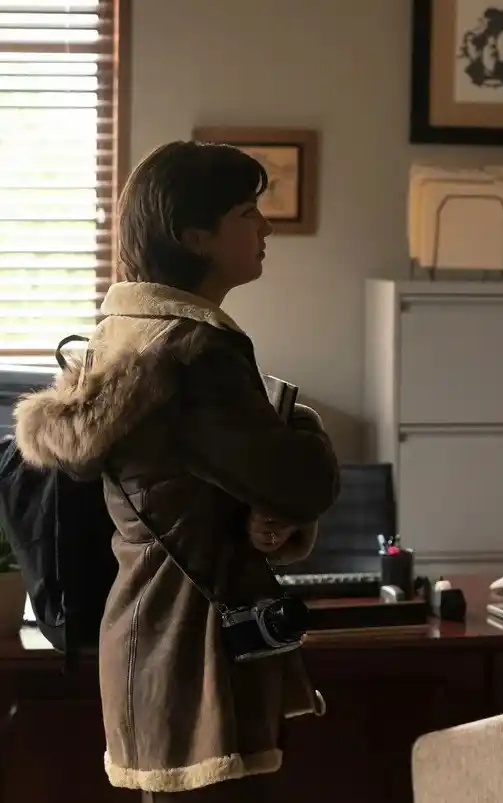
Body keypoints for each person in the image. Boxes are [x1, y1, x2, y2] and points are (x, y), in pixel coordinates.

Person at [13, 141, 341, 802]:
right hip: (198, 649)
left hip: (148, 633)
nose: (266, 227)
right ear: (193, 236)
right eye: (246, 213)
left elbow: (185, 487)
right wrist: (302, 423)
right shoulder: (193, 353)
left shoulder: (124, 335)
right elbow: (302, 481)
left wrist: (259, 514)